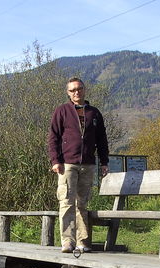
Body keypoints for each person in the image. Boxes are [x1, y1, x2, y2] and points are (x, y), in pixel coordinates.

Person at [47, 77, 109, 253]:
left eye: (79, 89)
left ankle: (83, 241)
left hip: (88, 165)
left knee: (82, 203)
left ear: (84, 90)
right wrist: (55, 160)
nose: (76, 92)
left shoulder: (94, 113)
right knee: (66, 202)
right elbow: (53, 138)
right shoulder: (62, 111)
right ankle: (67, 241)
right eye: (72, 90)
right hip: (67, 164)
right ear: (68, 93)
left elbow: (102, 140)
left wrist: (104, 162)